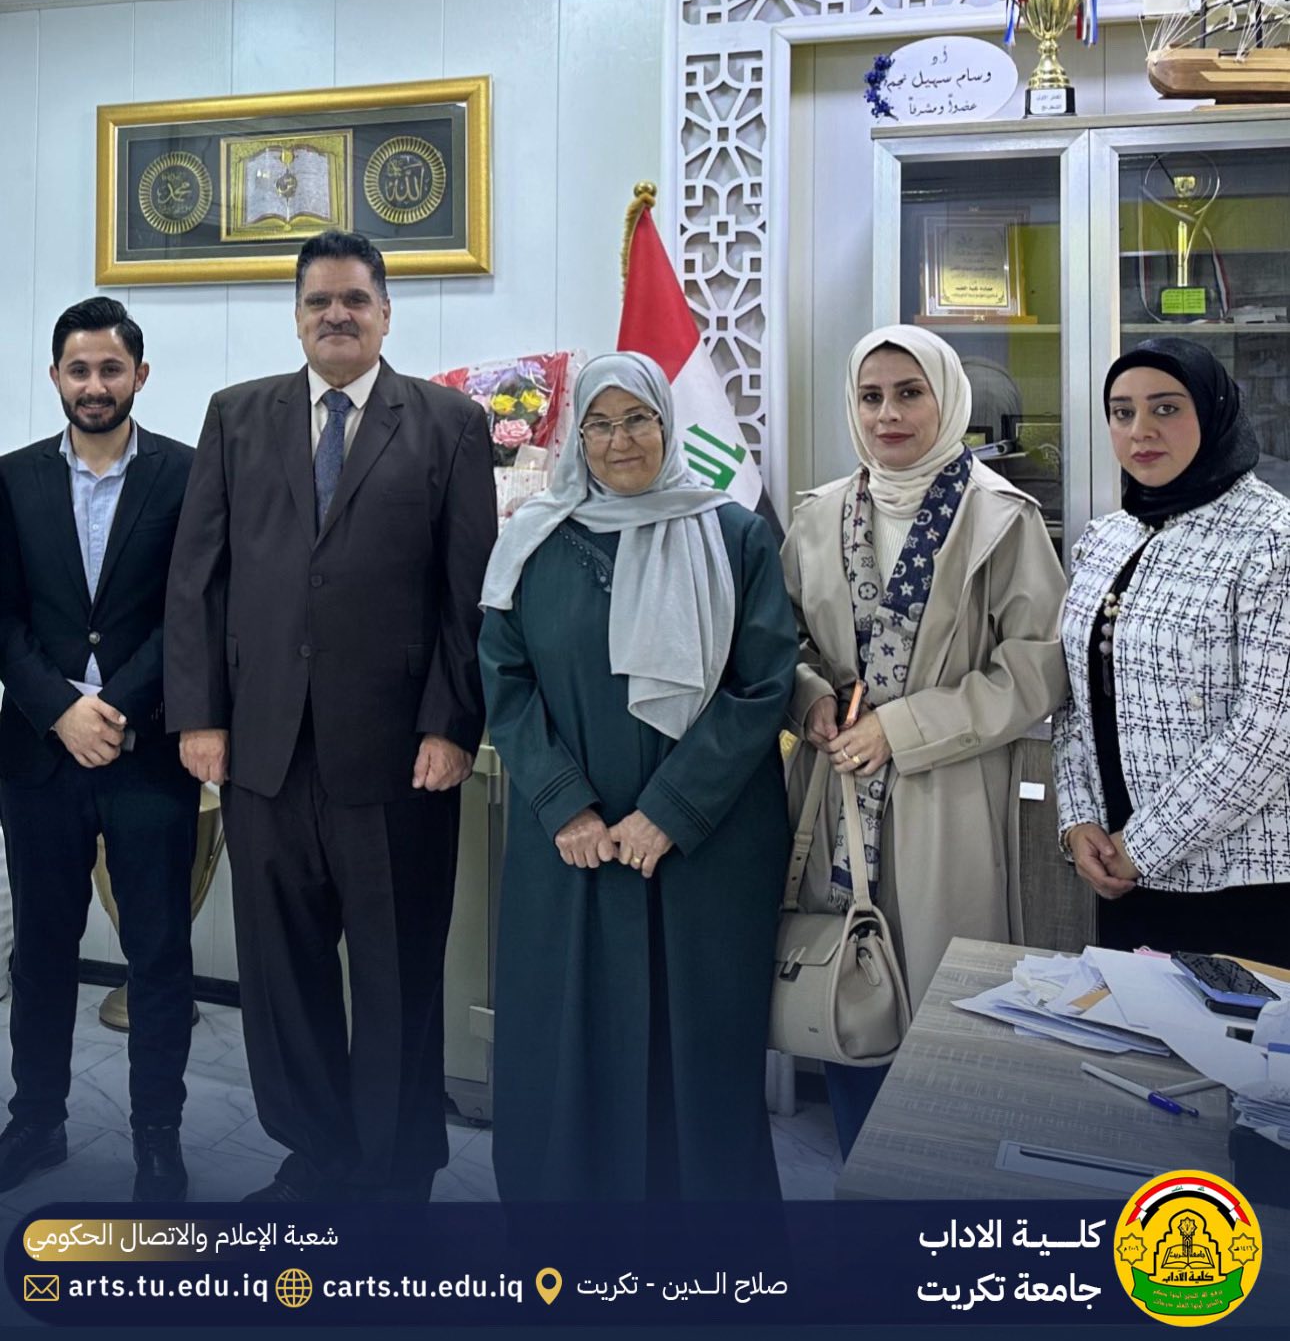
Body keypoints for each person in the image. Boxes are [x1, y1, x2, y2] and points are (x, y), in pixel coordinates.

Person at [163, 229, 496, 1201]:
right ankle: (315, 1157)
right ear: (297, 316)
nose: (336, 315)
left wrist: (451, 723)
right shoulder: (236, 416)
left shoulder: (448, 422)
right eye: (319, 301)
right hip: (264, 755)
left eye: (354, 299)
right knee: (282, 978)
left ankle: (395, 1176)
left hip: (398, 759)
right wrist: (200, 716)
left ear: (386, 312)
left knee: (397, 976)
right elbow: (198, 580)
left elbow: (468, 592)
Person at [479, 352, 797, 1200]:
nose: (621, 440)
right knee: (566, 1042)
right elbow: (504, 683)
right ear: (578, 436)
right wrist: (565, 807)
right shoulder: (532, 541)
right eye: (601, 424)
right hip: (570, 847)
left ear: (667, 422)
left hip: (702, 845)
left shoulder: (734, 535)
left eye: (638, 419)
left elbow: (762, 685)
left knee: (696, 1052)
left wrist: (670, 811)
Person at [781, 324, 1067, 1155]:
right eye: (871, 397)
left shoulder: (1001, 518)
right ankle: (861, 1177)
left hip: (950, 794)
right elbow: (784, 644)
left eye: (910, 394)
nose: (888, 415)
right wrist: (811, 703)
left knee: (950, 1008)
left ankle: (942, 1193)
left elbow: (1035, 668)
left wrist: (902, 729)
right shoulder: (818, 515)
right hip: (835, 794)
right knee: (844, 987)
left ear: (948, 401)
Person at [0, 297, 197, 1200]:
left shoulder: (186, 476)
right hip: (40, 756)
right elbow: (4, 620)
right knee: (42, 951)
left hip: (146, 748)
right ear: (55, 377)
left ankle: (158, 1136)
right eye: (78, 369)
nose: (94, 385)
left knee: (158, 953)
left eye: (110, 369)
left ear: (139, 376)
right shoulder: (11, 480)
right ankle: (36, 1121)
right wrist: (59, 711)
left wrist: (112, 706)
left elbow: (189, 613)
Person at [1053, 337, 1290, 965]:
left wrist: (1144, 845)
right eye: (1122, 412)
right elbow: (1073, 696)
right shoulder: (1106, 537)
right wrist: (1078, 821)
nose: (1141, 430)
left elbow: (1270, 732)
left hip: (1239, 880)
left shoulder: (1273, 539)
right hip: (1118, 867)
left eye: (1166, 408)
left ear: (1213, 412)